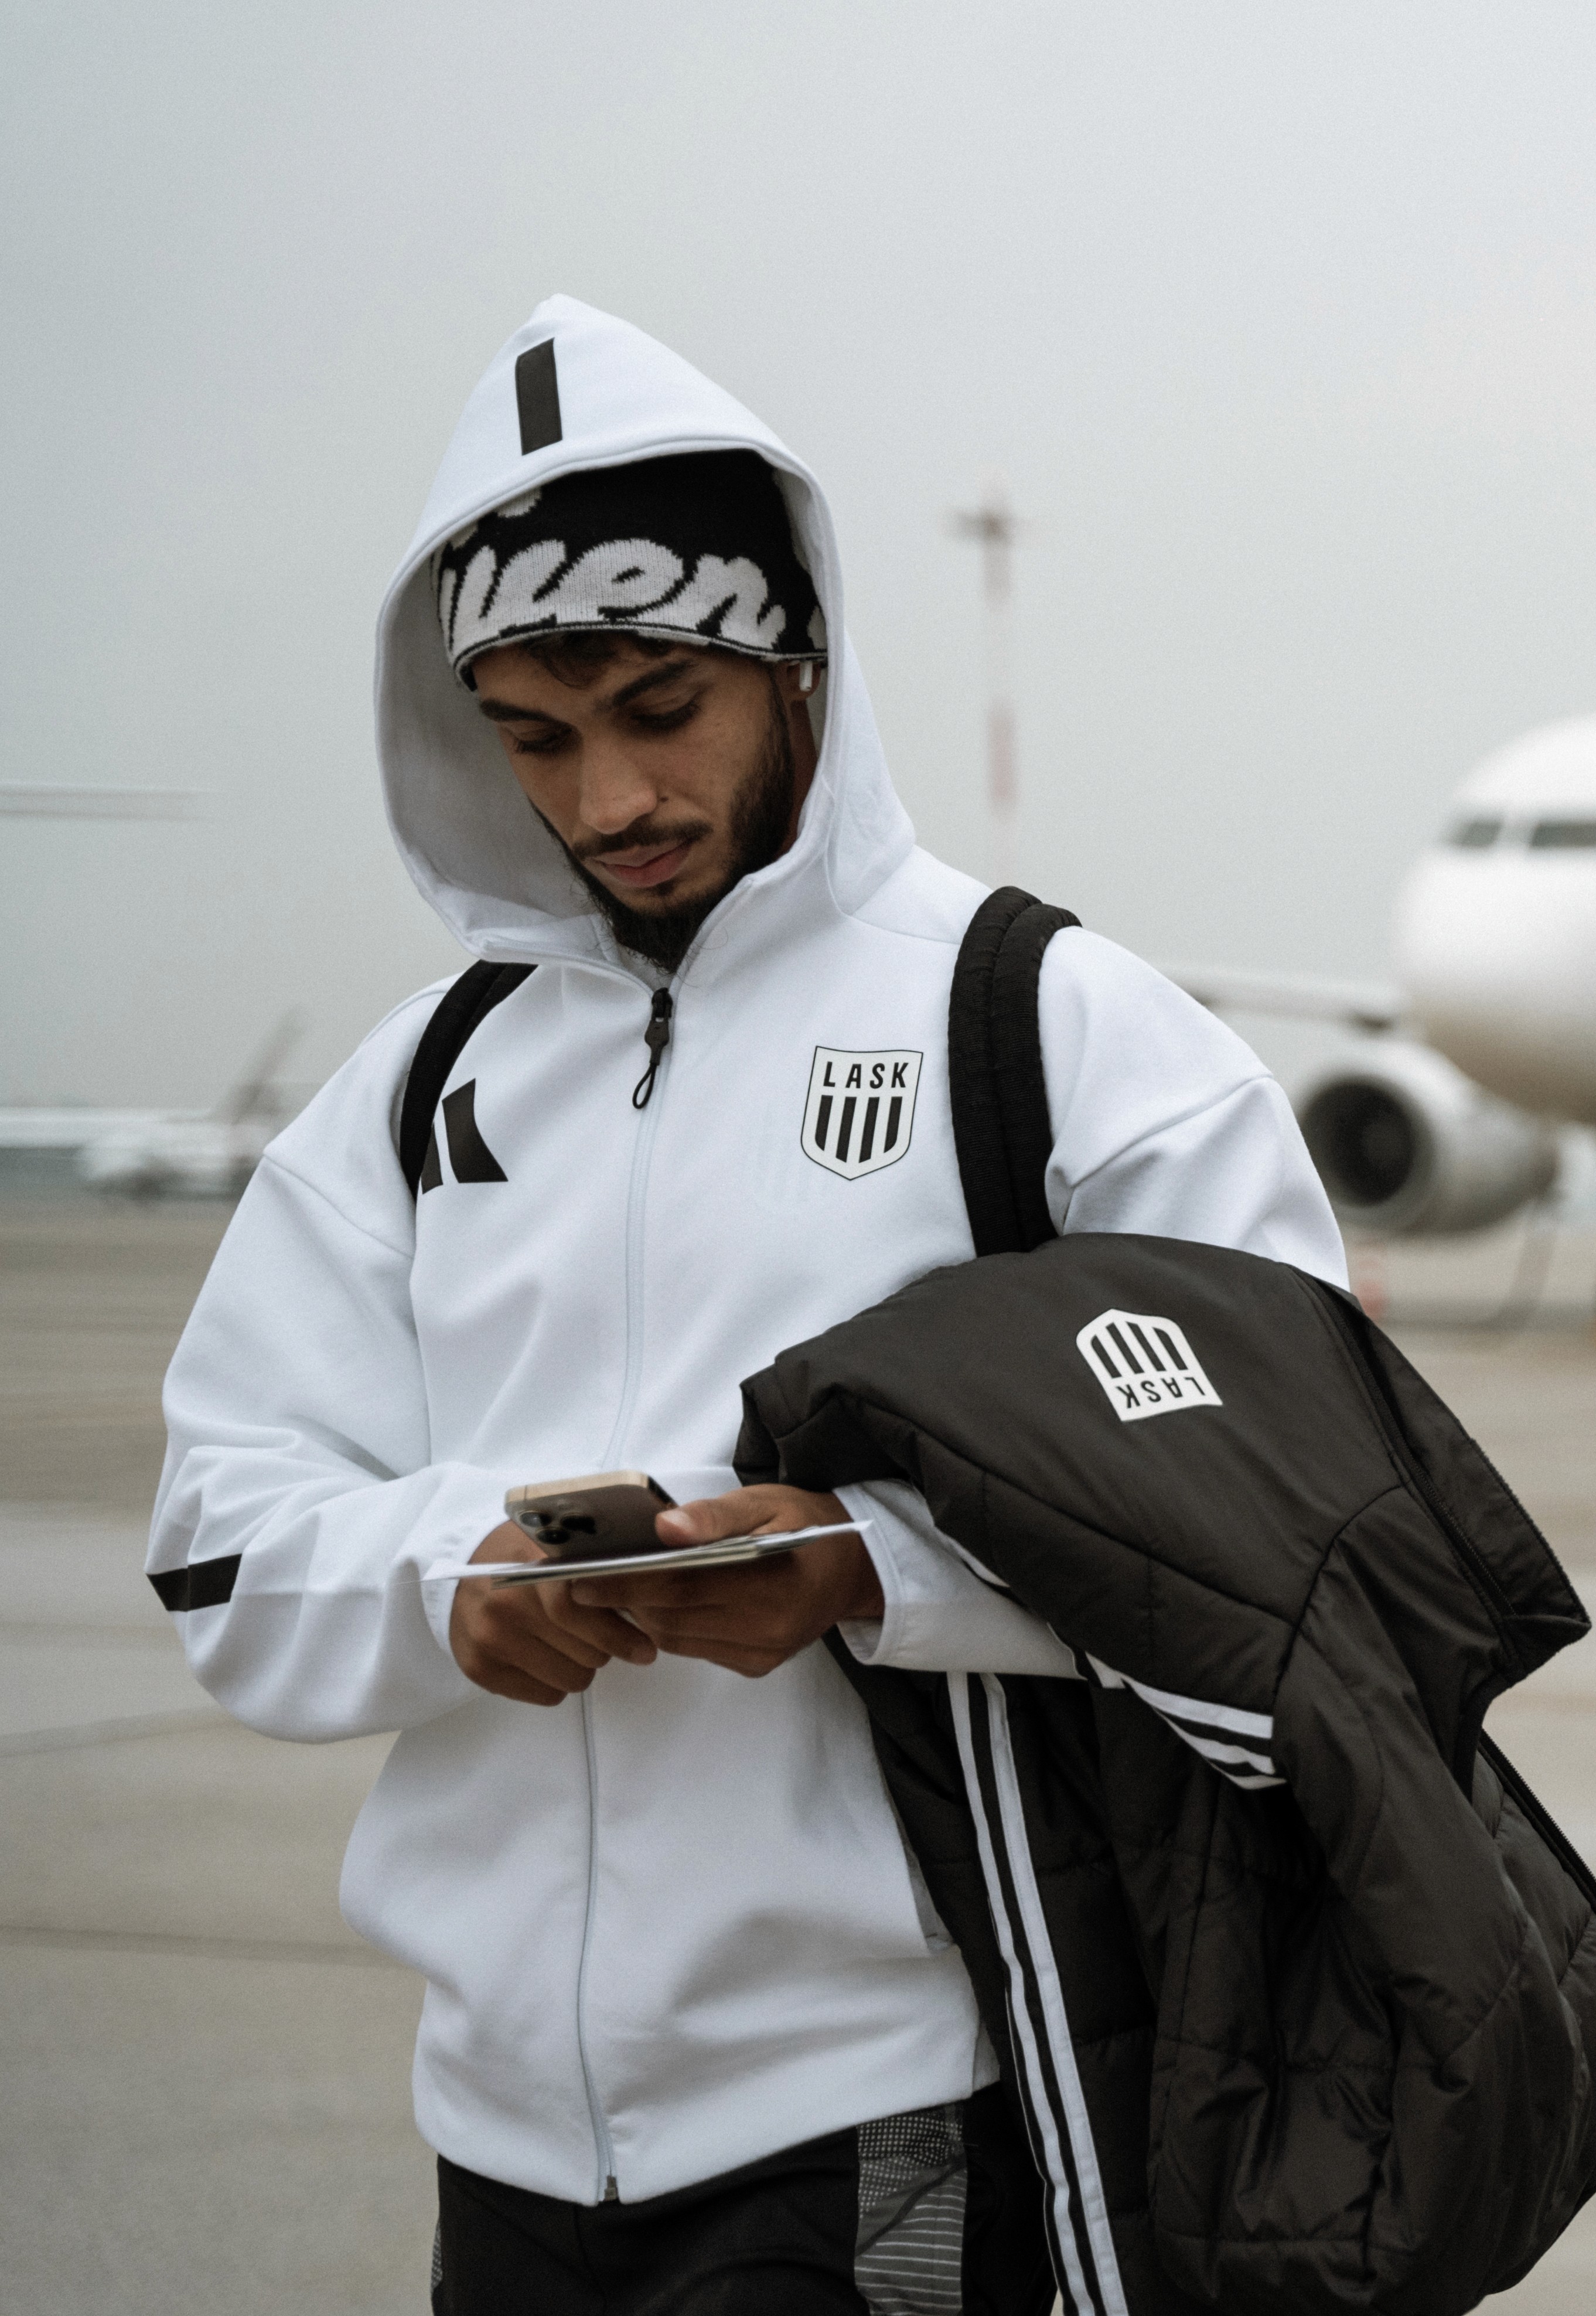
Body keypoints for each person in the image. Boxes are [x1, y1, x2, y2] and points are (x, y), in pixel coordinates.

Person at [145, 296, 1341, 2311]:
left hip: (891, 2108)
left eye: (657, 710)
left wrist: (867, 1569)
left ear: (795, 666)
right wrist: (456, 1581)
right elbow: (216, 1536)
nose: (606, 797)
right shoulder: (425, 1085)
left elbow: (1298, 1507)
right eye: (533, 736)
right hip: (501, 2142)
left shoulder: (1050, 1031)